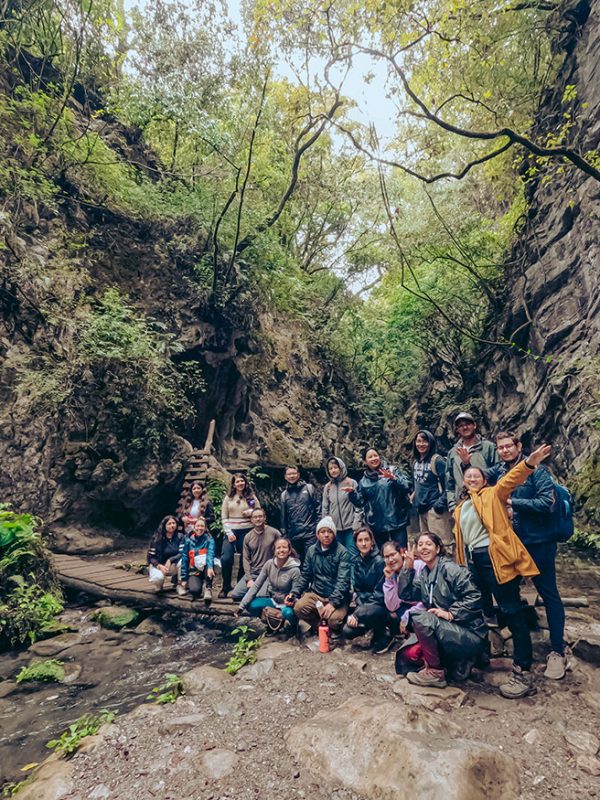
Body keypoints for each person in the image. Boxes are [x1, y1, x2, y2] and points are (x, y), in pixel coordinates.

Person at [454, 443, 552, 699]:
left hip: (494, 558)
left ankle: (523, 670)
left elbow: (510, 480)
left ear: (485, 480)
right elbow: (462, 540)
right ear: (463, 481)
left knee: (510, 610)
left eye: (477, 475)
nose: (473, 478)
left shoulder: (493, 495)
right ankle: (482, 653)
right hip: (474, 562)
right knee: (478, 610)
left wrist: (529, 463)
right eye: (468, 476)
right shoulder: (462, 506)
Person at [487, 431, 568, 680]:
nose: (504, 451)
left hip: (539, 542)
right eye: (500, 447)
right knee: (508, 592)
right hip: (513, 545)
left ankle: (557, 650)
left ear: (518, 446)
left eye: (508, 446)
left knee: (549, 593)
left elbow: (546, 502)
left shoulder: (538, 472)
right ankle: (516, 642)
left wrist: (514, 504)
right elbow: (480, 482)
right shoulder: (501, 473)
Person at [397, 533, 488, 688]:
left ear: (438, 548)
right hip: (446, 630)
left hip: (469, 632)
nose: (424, 547)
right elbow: (405, 594)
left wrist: (451, 613)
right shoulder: (425, 574)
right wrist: (408, 567)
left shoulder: (450, 569)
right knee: (408, 655)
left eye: (428, 544)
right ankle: (457, 663)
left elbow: (474, 595)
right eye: (420, 545)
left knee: (420, 617)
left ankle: (436, 672)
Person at [291, 516, 351, 633]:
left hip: (338, 598)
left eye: (329, 532)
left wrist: (333, 603)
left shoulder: (342, 552)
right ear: (317, 535)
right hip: (316, 594)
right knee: (299, 608)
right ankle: (321, 627)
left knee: (334, 621)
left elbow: (343, 581)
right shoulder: (311, 551)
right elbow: (305, 575)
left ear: (334, 534)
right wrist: (294, 592)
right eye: (322, 532)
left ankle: (334, 626)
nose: (326, 535)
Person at [347, 446, 411, 548]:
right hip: (377, 523)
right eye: (370, 457)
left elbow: (406, 486)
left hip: (397, 520)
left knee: (401, 552)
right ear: (365, 461)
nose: (374, 458)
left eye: (375, 455)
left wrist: (393, 478)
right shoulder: (363, 482)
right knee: (384, 554)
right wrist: (352, 494)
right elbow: (360, 502)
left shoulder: (392, 470)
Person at [342, 526, 393, 653]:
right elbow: (358, 591)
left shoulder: (380, 561)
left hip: (380, 606)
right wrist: (361, 608)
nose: (363, 543)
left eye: (366, 540)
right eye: (360, 540)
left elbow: (379, 594)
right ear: (356, 543)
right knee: (347, 631)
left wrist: (358, 613)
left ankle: (384, 633)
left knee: (368, 613)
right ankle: (372, 629)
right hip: (364, 607)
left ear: (372, 541)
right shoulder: (357, 562)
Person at [238, 537, 301, 629]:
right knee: (251, 605)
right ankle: (270, 622)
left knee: (287, 613)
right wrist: (241, 606)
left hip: (287, 604)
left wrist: (291, 600)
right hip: (273, 600)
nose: (281, 550)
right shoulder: (269, 564)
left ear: (289, 550)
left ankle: (293, 628)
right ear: (274, 551)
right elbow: (256, 585)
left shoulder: (295, 570)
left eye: (284, 547)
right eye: (278, 548)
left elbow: (296, 592)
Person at [446, 412, 500, 513]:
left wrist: (469, 466)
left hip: (486, 503)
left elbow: (499, 470)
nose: (465, 427)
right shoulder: (453, 452)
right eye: (461, 425)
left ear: (474, 426)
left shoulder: (487, 447)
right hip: (462, 505)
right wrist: (452, 505)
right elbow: (450, 481)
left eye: (468, 424)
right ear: (457, 429)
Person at [411, 430, 454, 554]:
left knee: (444, 545)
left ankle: (450, 571)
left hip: (435, 510)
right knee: (428, 548)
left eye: (425, 441)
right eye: (418, 441)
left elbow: (449, 483)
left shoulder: (437, 460)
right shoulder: (416, 462)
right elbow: (420, 482)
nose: (421, 444)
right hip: (421, 510)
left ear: (430, 443)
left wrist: (439, 504)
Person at [220, 473, 261, 598]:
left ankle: (239, 585)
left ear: (245, 482)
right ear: (233, 484)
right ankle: (226, 586)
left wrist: (251, 511)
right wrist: (229, 532)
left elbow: (259, 511)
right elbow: (224, 517)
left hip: (247, 531)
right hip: (231, 531)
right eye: (237, 481)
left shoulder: (250, 496)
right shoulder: (229, 497)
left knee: (245, 559)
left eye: (242, 481)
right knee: (226, 558)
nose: (240, 483)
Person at [230, 507, 281, 603]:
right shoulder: (248, 536)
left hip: (268, 574)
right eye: (255, 517)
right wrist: (249, 579)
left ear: (265, 518)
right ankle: (256, 589)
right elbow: (245, 559)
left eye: (260, 516)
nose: (258, 519)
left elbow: (283, 549)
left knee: (259, 596)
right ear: (251, 520)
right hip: (254, 573)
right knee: (236, 595)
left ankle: (263, 590)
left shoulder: (274, 533)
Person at [321, 456, 363, 557]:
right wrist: (326, 526)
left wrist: (356, 524)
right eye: (330, 469)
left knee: (352, 555)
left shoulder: (351, 482)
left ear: (341, 468)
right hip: (335, 529)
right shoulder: (328, 487)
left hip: (350, 527)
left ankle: (353, 573)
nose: (333, 470)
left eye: (335, 467)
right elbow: (325, 508)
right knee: (338, 556)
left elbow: (359, 505)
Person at [280, 465, 319, 562]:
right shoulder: (284, 495)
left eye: (294, 473)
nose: (292, 476)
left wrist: (318, 528)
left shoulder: (309, 488)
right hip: (294, 536)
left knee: (311, 560)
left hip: (310, 534)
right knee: (297, 562)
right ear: (285, 477)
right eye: (289, 474)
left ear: (298, 475)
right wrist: (285, 535)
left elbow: (318, 508)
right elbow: (283, 517)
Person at [178, 517, 215, 604]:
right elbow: (185, 559)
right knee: (195, 591)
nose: (200, 528)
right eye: (198, 526)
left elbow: (210, 554)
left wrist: (210, 567)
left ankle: (208, 588)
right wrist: (184, 579)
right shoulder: (188, 541)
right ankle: (198, 584)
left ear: (205, 528)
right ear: (194, 528)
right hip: (194, 570)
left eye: (202, 526)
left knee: (211, 563)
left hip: (206, 568)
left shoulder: (209, 540)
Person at [147, 515, 184, 592]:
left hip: (173, 565)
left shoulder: (180, 536)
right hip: (159, 565)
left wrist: (170, 560)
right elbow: (150, 557)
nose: (172, 525)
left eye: (174, 523)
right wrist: (159, 566)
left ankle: (180, 585)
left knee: (184, 560)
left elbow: (182, 553)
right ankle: (159, 585)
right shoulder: (156, 538)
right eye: (169, 523)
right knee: (158, 578)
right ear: (164, 526)